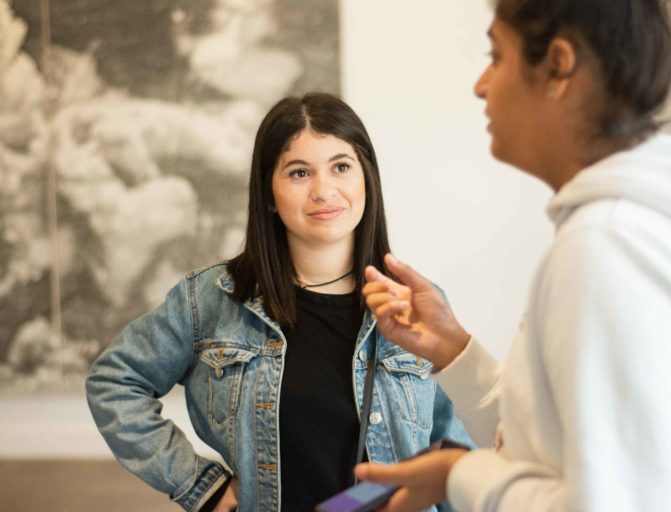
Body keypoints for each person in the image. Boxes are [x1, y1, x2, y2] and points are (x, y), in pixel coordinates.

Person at [355, 0, 671, 511]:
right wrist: (455, 351)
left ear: (557, 66)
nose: (481, 85)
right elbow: (576, 452)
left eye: (496, 55)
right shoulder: (648, 230)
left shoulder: (610, 247)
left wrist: (462, 474)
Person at [86, 92, 471, 512]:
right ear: (269, 193)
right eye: (299, 172)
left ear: (366, 179)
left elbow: (453, 449)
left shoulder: (414, 303)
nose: (324, 190)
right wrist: (202, 485)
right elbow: (114, 381)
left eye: (341, 167)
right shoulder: (211, 300)